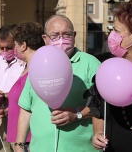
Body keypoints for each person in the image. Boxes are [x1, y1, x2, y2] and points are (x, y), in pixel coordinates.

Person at [15, 14, 101, 152]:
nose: (61, 40)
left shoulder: (92, 64)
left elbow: (101, 106)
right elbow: (26, 107)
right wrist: (19, 145)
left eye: (66, 34)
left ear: (74, 35)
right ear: (45, 38)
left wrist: (77, 114)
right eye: (55, 35)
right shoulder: (38, 63)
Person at [92, 1, 132, 152]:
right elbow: (97, 109)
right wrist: (97, 132)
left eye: (117, 31)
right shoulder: (108, 69)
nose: (112, 36)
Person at [6, 21, 45, 151]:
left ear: (23, 45)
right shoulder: (26, 68)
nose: (14, 49)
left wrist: (20, 144)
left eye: (15, 44)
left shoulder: (37, 70)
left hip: (28, 141)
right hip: (19, 140)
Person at [0, 25, 25, 152]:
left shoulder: (25, 63)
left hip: (19, 116)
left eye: (8, 48)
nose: (4, 51)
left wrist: (7, 95)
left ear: (16, 43)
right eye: (1, 47)